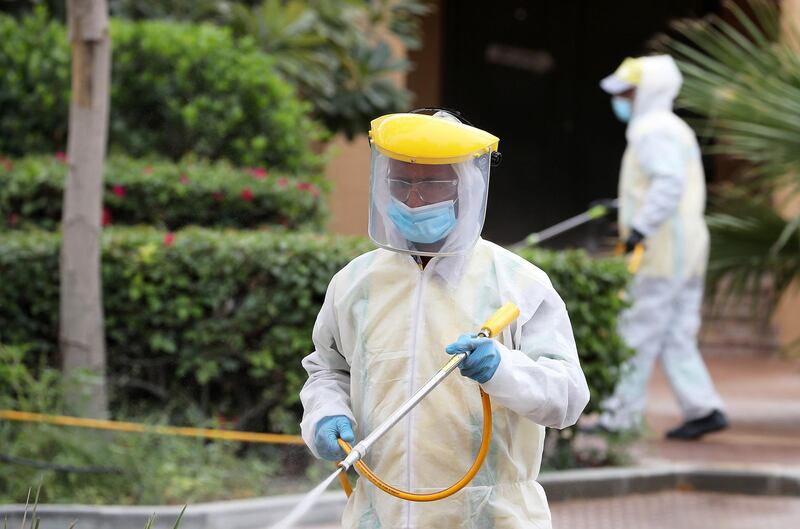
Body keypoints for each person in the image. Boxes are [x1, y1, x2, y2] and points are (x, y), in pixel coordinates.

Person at [299, 109, 590, 529]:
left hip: (493, 517)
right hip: (380, 514)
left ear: (466, 188)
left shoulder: (517, 283)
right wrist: (325, 415)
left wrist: (501, 368)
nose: (413, 200)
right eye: (401, 183)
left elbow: (567, 399)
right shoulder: (355, 284)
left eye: (433, 184)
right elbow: (328, 371)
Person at [598, 55, 728, 439]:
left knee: (635, 329)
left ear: (646, 91)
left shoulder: (651, 130)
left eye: (627, 92)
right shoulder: (674, 127)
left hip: (662, 250)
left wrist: (639, 228)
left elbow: (667, 183)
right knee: (676, 332)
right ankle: (703, 407)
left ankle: (619, 417)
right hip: (687, 249)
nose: (620, 99)